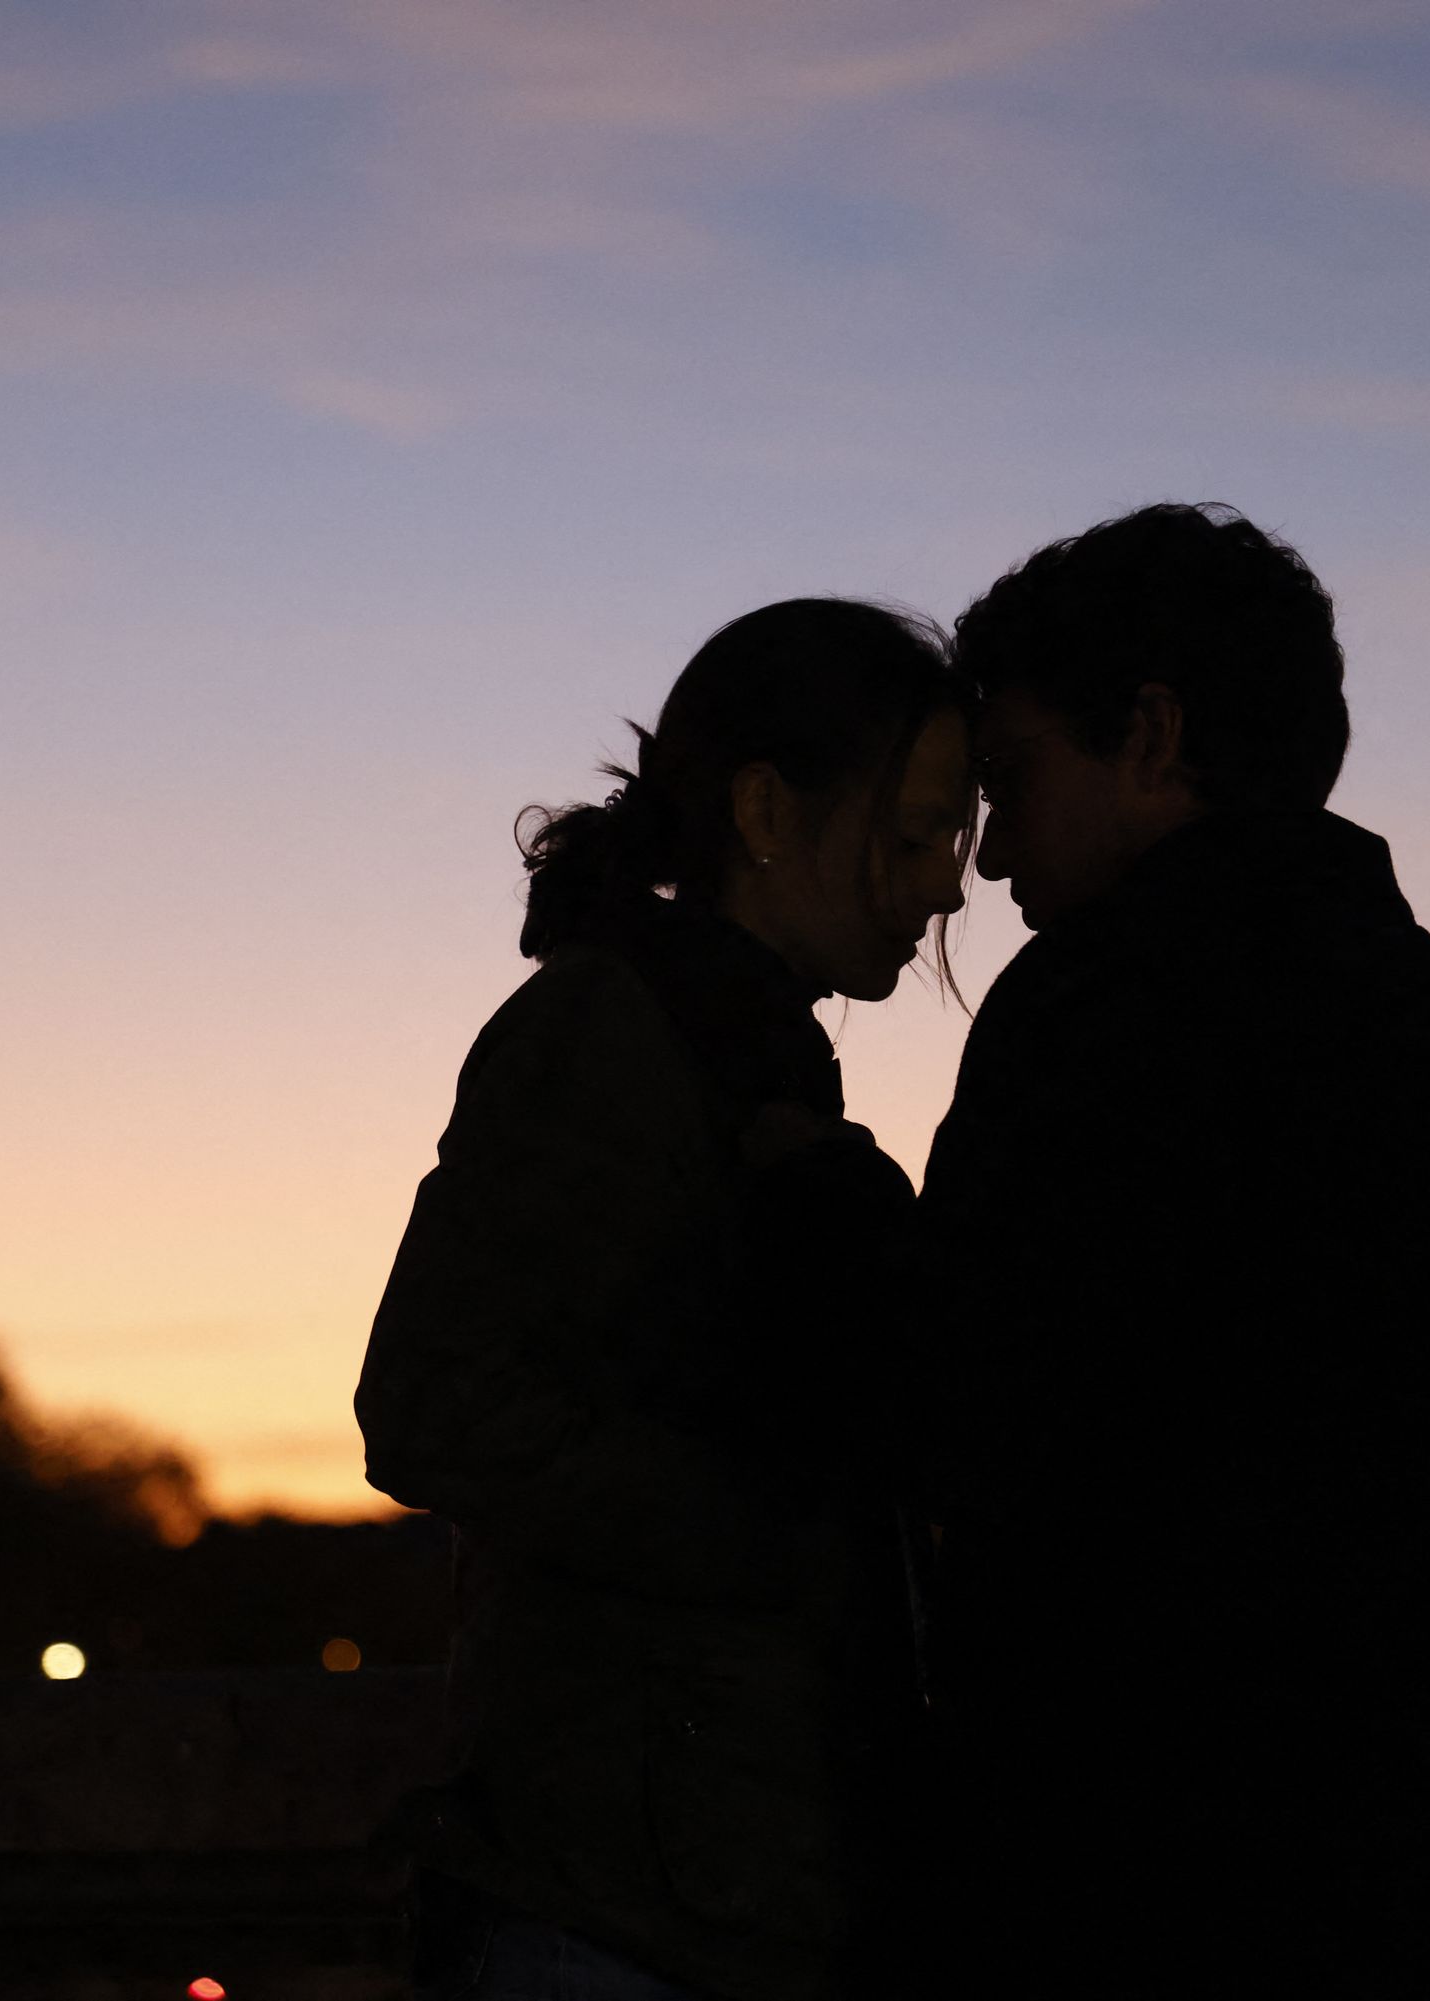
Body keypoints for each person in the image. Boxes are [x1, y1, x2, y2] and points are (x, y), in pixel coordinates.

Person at [921, 504, 1430, 1995]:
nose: (985, 862)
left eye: (1012, 780)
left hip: (1089, 1895)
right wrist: (1371, 1677)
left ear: (1155, 736)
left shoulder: (1086, 1019)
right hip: (1376, 1897)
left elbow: (956, 1446)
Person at [356, 599, 975, 2001]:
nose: (948, 886)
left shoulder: (723, 1044)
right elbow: (434, 1402)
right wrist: (774, 1528)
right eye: (915, 834)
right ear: (767, 807)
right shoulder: (614, 1033)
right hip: (621, 1900)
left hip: (676, 1876)